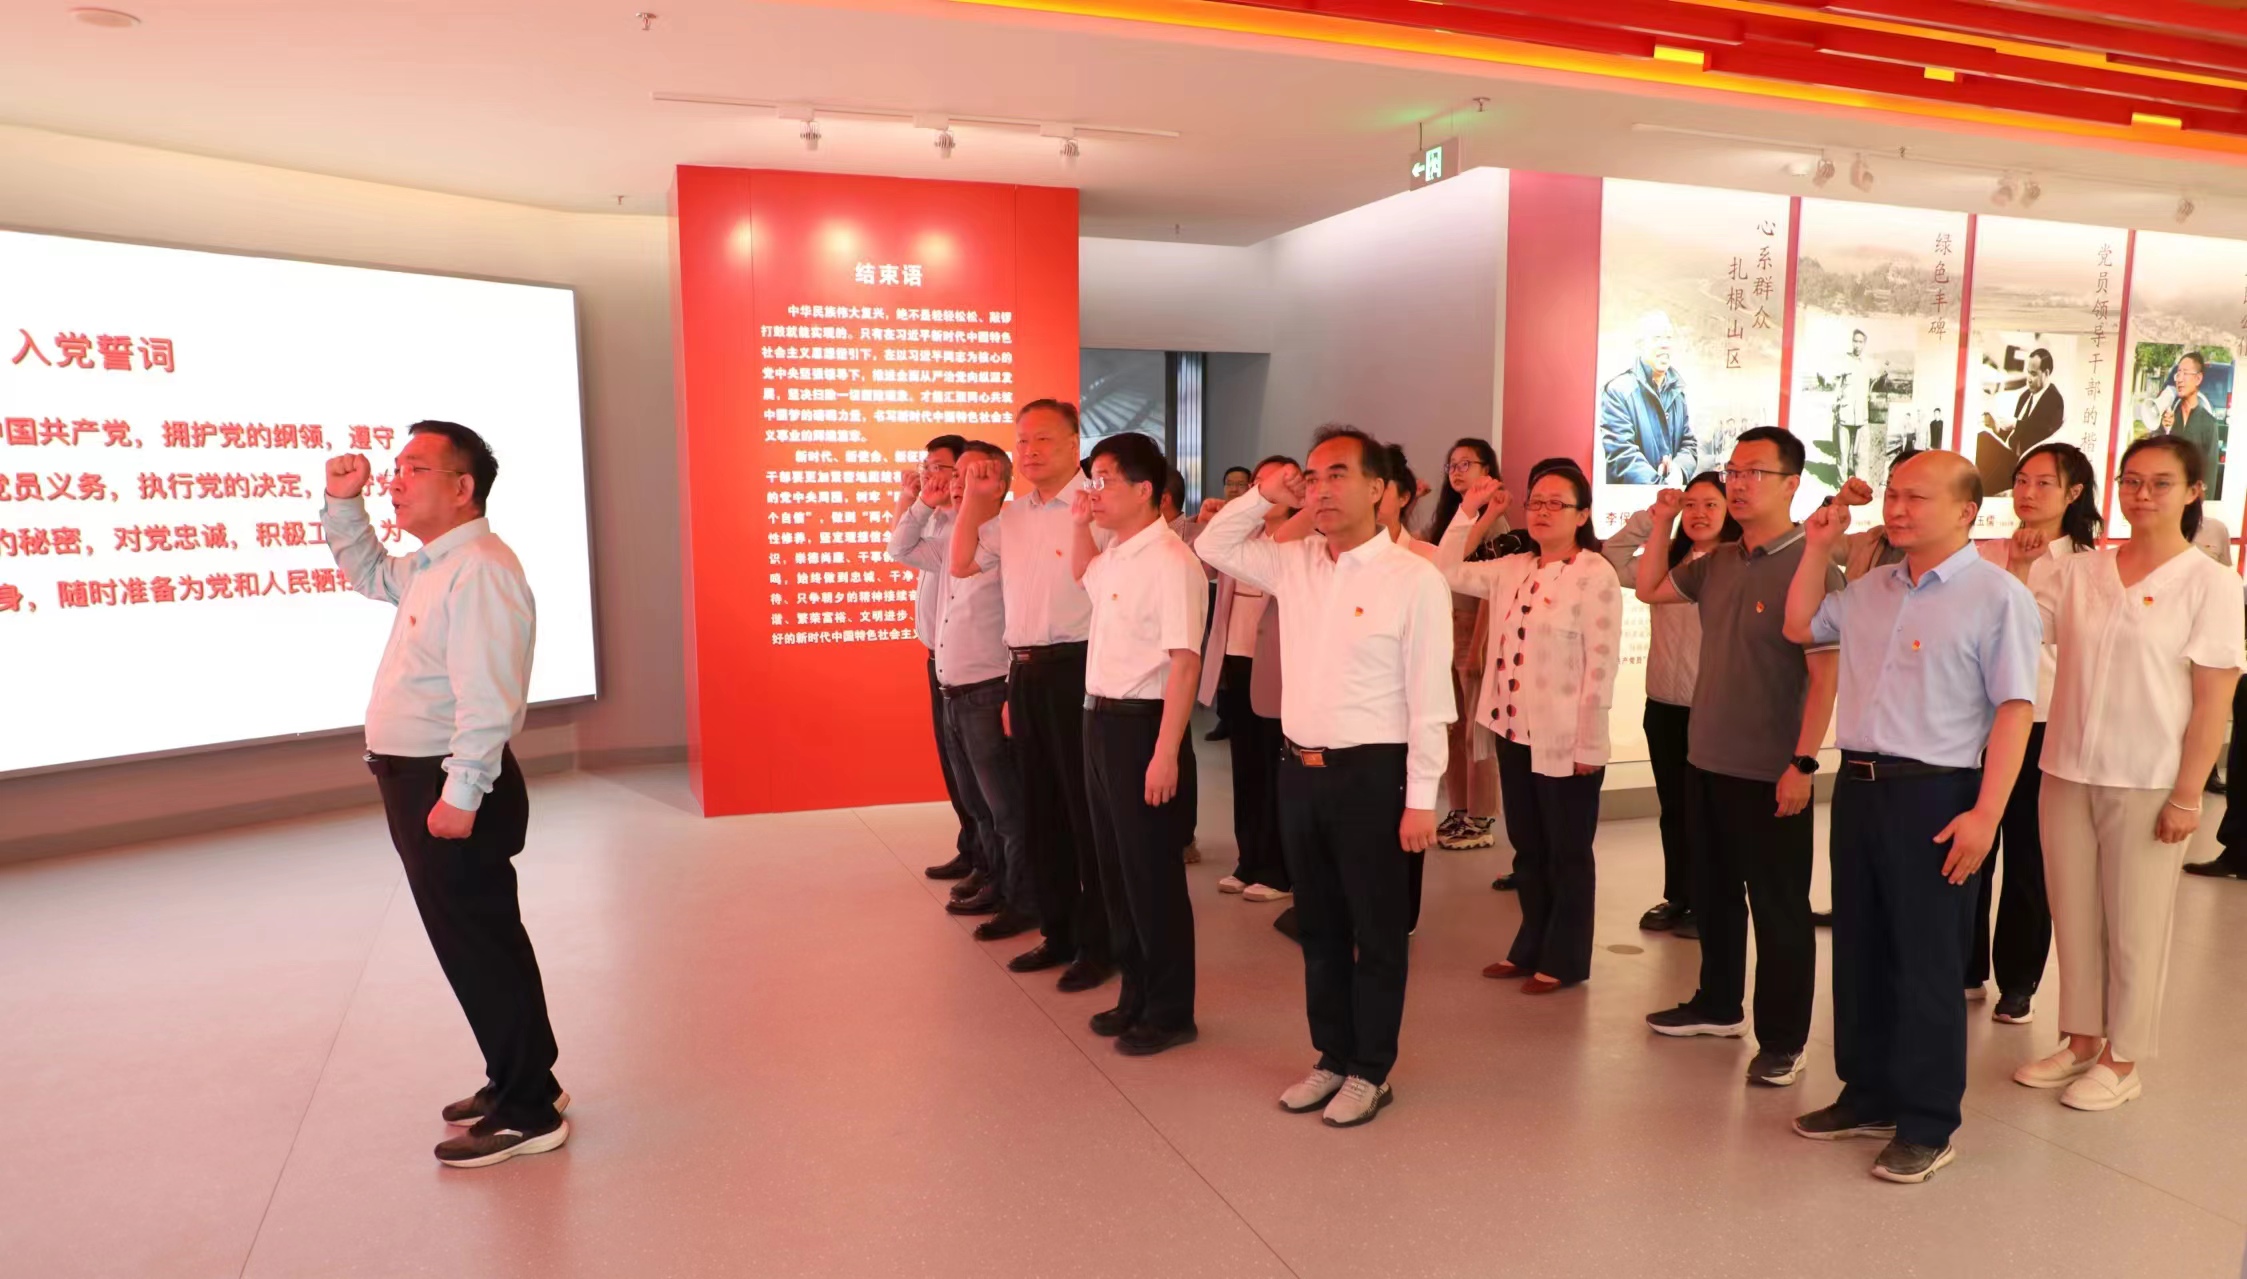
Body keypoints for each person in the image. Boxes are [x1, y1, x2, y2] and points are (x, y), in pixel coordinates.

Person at [1782, 450, 2040, 1185]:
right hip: (1859, 787)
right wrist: (1817, 546)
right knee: (1860, 947)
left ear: (1966, 511)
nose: (1896, 508)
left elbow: (2015, 709)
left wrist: (1986, 813)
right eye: (1893, 494)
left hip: (1938, 793)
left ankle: (1927, 1121)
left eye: (1916, 497)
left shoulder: (1997, 596)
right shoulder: (1869, 589)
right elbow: (1798, 626)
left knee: (1927, 961)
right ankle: (1867, 1093)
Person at [322, 422, 566, 1169]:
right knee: (479, 941)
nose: (395, 480)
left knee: (480, 945)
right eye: (395, 467)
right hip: (423, 780)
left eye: (415, 468)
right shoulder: (435, 564)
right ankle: (523, 1079)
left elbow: (489, 697)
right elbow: (368, 571)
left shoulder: (481, 570)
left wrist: (461, 794)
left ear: (463, 488)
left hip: (447, 784)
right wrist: (344, 502)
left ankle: (529, 1111)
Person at [1197, 425, 1453, 1128]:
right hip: (1299, 770)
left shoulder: (1414, 579)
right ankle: (1331, 1056)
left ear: (1379, 489)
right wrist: (1264, 495)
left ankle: (1371, 1070)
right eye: (1311, 478)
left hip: (1373, 775)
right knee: (1318, 927)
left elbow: (1431, 700)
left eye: (1337, 474)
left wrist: (1421, 800)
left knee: (1376, 930)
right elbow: (1213, 545)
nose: (1321, 489)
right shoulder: (1296, 562)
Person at [2011, 435, 2244, 1111]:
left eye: (2160, 483)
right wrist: (2021, 569)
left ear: (2192, 492)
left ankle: (2124, 1055)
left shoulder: (2209, 583)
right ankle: (2082, 1037)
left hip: (2147, 777)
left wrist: (2187, 796)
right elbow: (2023, 631)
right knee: (2073, 912)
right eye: (2131, 481)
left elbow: (2213, 699)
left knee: (2135, 923)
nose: (2142, 494)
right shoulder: (2083, 570)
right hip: (2065, 767)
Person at [1635, 427, 1841, 1089]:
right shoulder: (1718, 561)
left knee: (1779, 908)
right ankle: (1718, 1004)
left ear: (1792, 484)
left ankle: (1783, 1040)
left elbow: (1825, 678)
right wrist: (1662, 519)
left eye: (1756, 472)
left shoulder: (1813, 564)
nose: (1740, 484)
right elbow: (1649, 587)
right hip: (1706, 758)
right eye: (1733, 471)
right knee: (1715, 893)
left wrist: (1802, 764)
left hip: (1771, 768)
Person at [951, 400, 1114, 994]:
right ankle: (1059, 932)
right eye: (1022, 440)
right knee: (1040, 807)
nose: (1030, 450)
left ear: (1074, 443)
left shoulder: (1097, 508)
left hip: (1080, 668)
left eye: (1044, 439)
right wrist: (976, 499)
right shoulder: (1013, 515)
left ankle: (1100, 943)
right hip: (1023, 672)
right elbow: (961, 562)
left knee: (1083, 812)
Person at [1438, 466, 1621, 992]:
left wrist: (1590, 741)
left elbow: (1601, 664)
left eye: (1556, 503)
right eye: (1535, 502)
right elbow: (1445, 569)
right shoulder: (1512, 567)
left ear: (1582, 515)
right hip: (1512, 729)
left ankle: (1565, 959)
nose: (1542, 512)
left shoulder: (1595, 574)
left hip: (1566, 738)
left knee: (1567, 851)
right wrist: (1470, 510)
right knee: (1528, 848)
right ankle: (1530, 945)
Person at [1069, 433, 1209, 1056]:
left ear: (1145, 489)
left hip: (1142, 726)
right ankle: (1135, 993)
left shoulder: (1172, 561)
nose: (1094, 492)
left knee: (1152, 875)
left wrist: (1165, 752)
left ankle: (1171, 1010)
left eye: (1104, 481)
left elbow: (1185, 663)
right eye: (1092, 481)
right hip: (1099, 721)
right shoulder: (1117, 552)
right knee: (1115, 870)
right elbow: (1083, 577)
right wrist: (1080, 523)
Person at [1966, 443, 2101, 1022]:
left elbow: (2061, 644)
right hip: (1979, 722)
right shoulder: (1983, 553)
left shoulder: (2089, 566)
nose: (2027, 492)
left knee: (2029, 856)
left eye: (2044, 483)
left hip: (2045, 722)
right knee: (1970, 848)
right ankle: (1964, 967)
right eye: (2021, 480)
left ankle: (2018, 982)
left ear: (2074, 493)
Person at [890, 441, 1039, 940]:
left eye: (970, 475)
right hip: (953, 688)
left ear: (999, 484)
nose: (957, 484)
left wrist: (1013, 692)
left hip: (989, 689)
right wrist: (921, 503)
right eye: (955, 475)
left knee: (1005, 807)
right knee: (977, 802)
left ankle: (1022, 898)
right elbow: (899, 549)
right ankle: (995, 881)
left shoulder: (1007, 539)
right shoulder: (955, 534)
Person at [1603, 471, 1742, 939]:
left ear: (1730, 511)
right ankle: (1680, 895)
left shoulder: (1737, 564)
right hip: (1663, 702)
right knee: (1674, 808)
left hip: (1715, 708)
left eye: (1711, 504)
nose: (1699, 513)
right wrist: (1655, 518)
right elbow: (1611, 559)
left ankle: (1713, 903)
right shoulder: (1667, 562)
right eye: (1691, 505)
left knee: (1712, 813)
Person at [1201, 456, 1300, 904]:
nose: (1265, 490)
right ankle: (1249, 859)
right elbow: (1203, 564)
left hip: (1279, 669)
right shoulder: (1240, 538)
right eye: (1260, 483)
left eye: (1275, 482)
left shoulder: (1301, 542)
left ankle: (1279, 868)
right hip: (1237, 663)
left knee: (1276, 768)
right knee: (1245, 768)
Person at [890, 435, 983, 888]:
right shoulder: (939, 522)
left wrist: (919, 504)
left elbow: (901, 547)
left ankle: (987, 860)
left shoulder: (969, 529)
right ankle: (971, 847)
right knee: (953, 762)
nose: (930, 475)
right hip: (937, 658)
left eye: (939, 467)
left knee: (975, 768)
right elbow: (899, 546)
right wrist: (911, 500)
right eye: (925, 466)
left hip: (971, 666)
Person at [1424, 439, 1506, 853]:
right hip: (1445, 629)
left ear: (1487, 470)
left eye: (1465, 464)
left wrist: (1477, 646)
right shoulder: (1449, 518)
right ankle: (1458, 809)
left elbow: (1494, 592)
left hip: (1475, 630)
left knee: (1477, 730)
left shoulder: (1496, 523)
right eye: (1451, 465)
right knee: (1452, 728)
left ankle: (1481, 816)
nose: (1456, 471)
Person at [1600, 310, 1696, 485]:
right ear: (1640, 345)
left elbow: (1688, 444)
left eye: (1668, 338)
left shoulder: (1677, 392)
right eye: (1657, 338)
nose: (1665, 345)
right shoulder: (1618, 391)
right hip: (1635, 500)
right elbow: (1622, 454)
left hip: (1671, 497)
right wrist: (1659, 487)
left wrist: (1677, 471)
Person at [1974, 347, 2064, 497]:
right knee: (1983, 438)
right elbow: (2017, 435)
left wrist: (2015, 423)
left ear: (2046, 373)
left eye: (2034, 374)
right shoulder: (2025, 397)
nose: (2029, 379)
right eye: (2028, 372)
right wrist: (1998, 429)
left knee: (1984, 443)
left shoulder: (2054, 400)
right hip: (2013, 460)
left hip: (2031, 464)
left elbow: (2044, 431)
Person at [2159, 351, 2225, 501]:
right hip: (2167, 499)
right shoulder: (2168, 417)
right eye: (2178, 373)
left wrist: (2201, 503)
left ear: (2198, 378)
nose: (2179, 379)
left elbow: (2210, 474)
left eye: (2185, 373)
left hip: (2192, 502)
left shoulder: (2209, 423)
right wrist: (2166, 430)